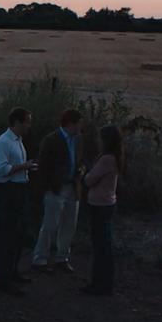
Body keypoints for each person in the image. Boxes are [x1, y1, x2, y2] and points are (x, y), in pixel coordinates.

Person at [31, 109, 85, 274]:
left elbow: (81, 160)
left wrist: (81, 169)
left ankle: (62, 257)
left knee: (69, 225)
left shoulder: (78, 140)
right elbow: (43, 165)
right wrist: (49, 185)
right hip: (56, 188)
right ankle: (40, 259)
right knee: (50, 224)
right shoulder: (51, 140)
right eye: (79, 123)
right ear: (70, 123)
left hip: (72, 187)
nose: (80, 127)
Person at [0, 106, 37, 296]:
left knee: (19, 234)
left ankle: (13, 271)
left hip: (20, 189)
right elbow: (1, 170)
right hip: (9, 192)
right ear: (17, 122)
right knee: (8, 236)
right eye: (27, 122)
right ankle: (4, 279)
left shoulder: (18, 141)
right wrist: (23, 166)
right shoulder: (4, 142)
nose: (29, 126)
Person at [80, 125, 123, 296]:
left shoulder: (106, 159)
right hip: (107, 203)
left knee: (100, 246)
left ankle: (100, 284)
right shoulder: (115, 157)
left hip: (100, 205)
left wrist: (84, 174)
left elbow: (90, 180)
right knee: (104, 245)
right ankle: (104, 283)